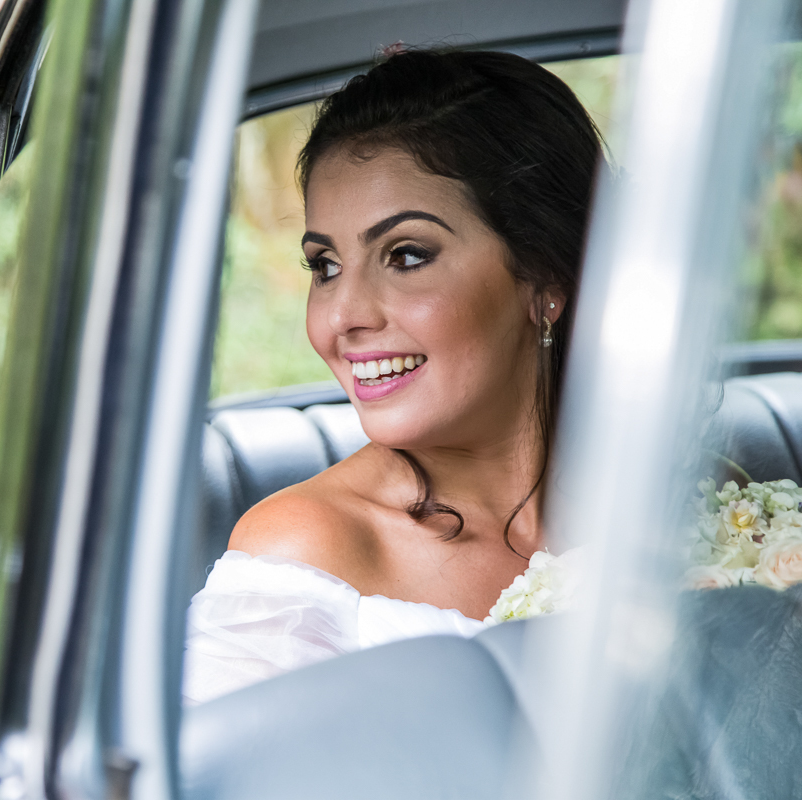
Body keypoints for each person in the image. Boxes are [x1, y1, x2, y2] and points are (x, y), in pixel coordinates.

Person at [183, 48, 605, 706]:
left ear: (546, 280)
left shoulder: (685, 506)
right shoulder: (302, 556)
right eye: (324, 266)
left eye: (405, 256)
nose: (342, 316)